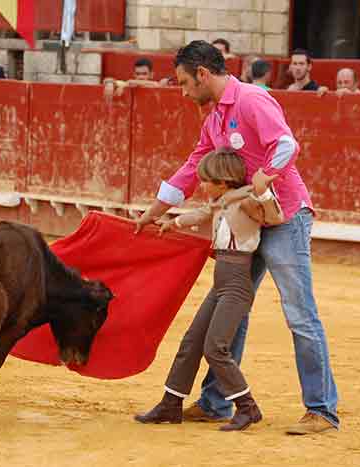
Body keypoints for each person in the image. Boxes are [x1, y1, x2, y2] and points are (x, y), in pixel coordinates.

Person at [134, 40, 339, 435]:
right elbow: (194, 167)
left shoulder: (251, 100)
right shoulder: (213, 121)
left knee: (299, 312)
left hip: (284, 217)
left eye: (184, 82)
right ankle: (216, 403)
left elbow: (286, 144)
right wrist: (156, 210)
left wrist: (268, 174)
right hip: (245, 222)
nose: (182, 91)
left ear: (203, 74)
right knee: (233, 309)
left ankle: (321, 411)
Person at [134, 148, 283, 432]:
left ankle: (248, 408)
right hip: (221, 284)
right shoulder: (222, 201)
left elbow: (274, 218)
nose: (202, 185)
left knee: (215, 348)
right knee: (192, 341)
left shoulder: (247, 200)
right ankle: (171, 403)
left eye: (206, 181)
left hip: (237, 285)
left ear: (223, 181)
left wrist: (263, 191)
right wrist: (172, 223)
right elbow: (200, 214)